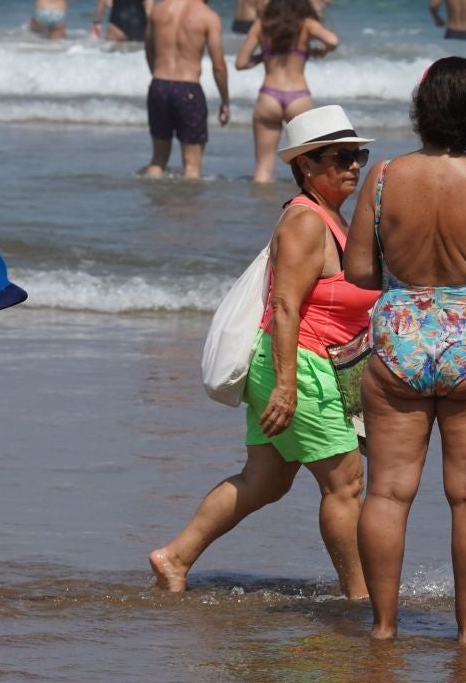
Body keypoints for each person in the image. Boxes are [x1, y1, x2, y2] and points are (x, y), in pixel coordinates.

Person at [343, 58, 466, 645]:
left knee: (388, 492)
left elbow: (358, 271)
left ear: (421, 108)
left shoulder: (384, 177)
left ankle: (383, 626)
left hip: (398, 340)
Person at [150, 106, 376, 597]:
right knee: (345, 485)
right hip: (301, 367)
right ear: (307, 166)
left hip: (301, 364)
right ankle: (361, 598)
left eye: (357, 155)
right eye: (340, 157)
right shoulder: (306, 223)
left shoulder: (331, 218)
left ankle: (175, 557)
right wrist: (288, 384)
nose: (353, 166)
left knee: (265, 480)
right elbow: (285, 306)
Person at [236, 0, 338, 182]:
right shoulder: (307, 24)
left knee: (263, 169)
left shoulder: (262, 25)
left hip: (269, 96)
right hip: (298, 97)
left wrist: (261, 57)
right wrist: (320, 51)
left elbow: (240, 63)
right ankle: (300, 210)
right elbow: (333, 40)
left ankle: (260, 209)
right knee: (307, 168)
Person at [141, 0, 229, 178]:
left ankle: (154, 208)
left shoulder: (159, 9)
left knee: (157, 160)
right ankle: (188, 210)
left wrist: (157, 75)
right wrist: (225, 101)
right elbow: (218, 65)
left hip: (159, 85)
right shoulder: (208, 16)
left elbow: (149, 50)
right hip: (188, 90)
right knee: (191, 165)